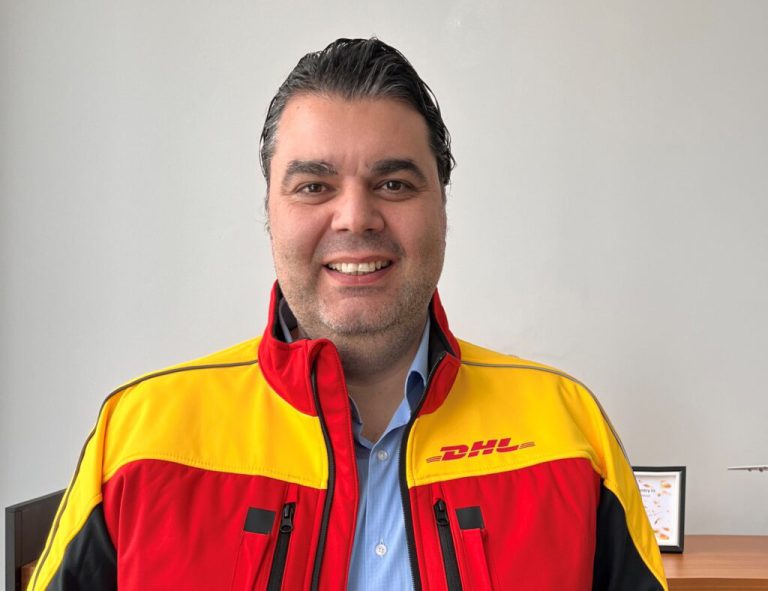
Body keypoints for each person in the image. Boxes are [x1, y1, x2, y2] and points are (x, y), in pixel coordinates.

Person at [31, 38, 667, 590]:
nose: (356, 217)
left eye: (394, 184)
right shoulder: (138, 439)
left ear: (442, 208)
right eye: (314, 186)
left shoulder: (568, 432)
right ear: (270, 211)